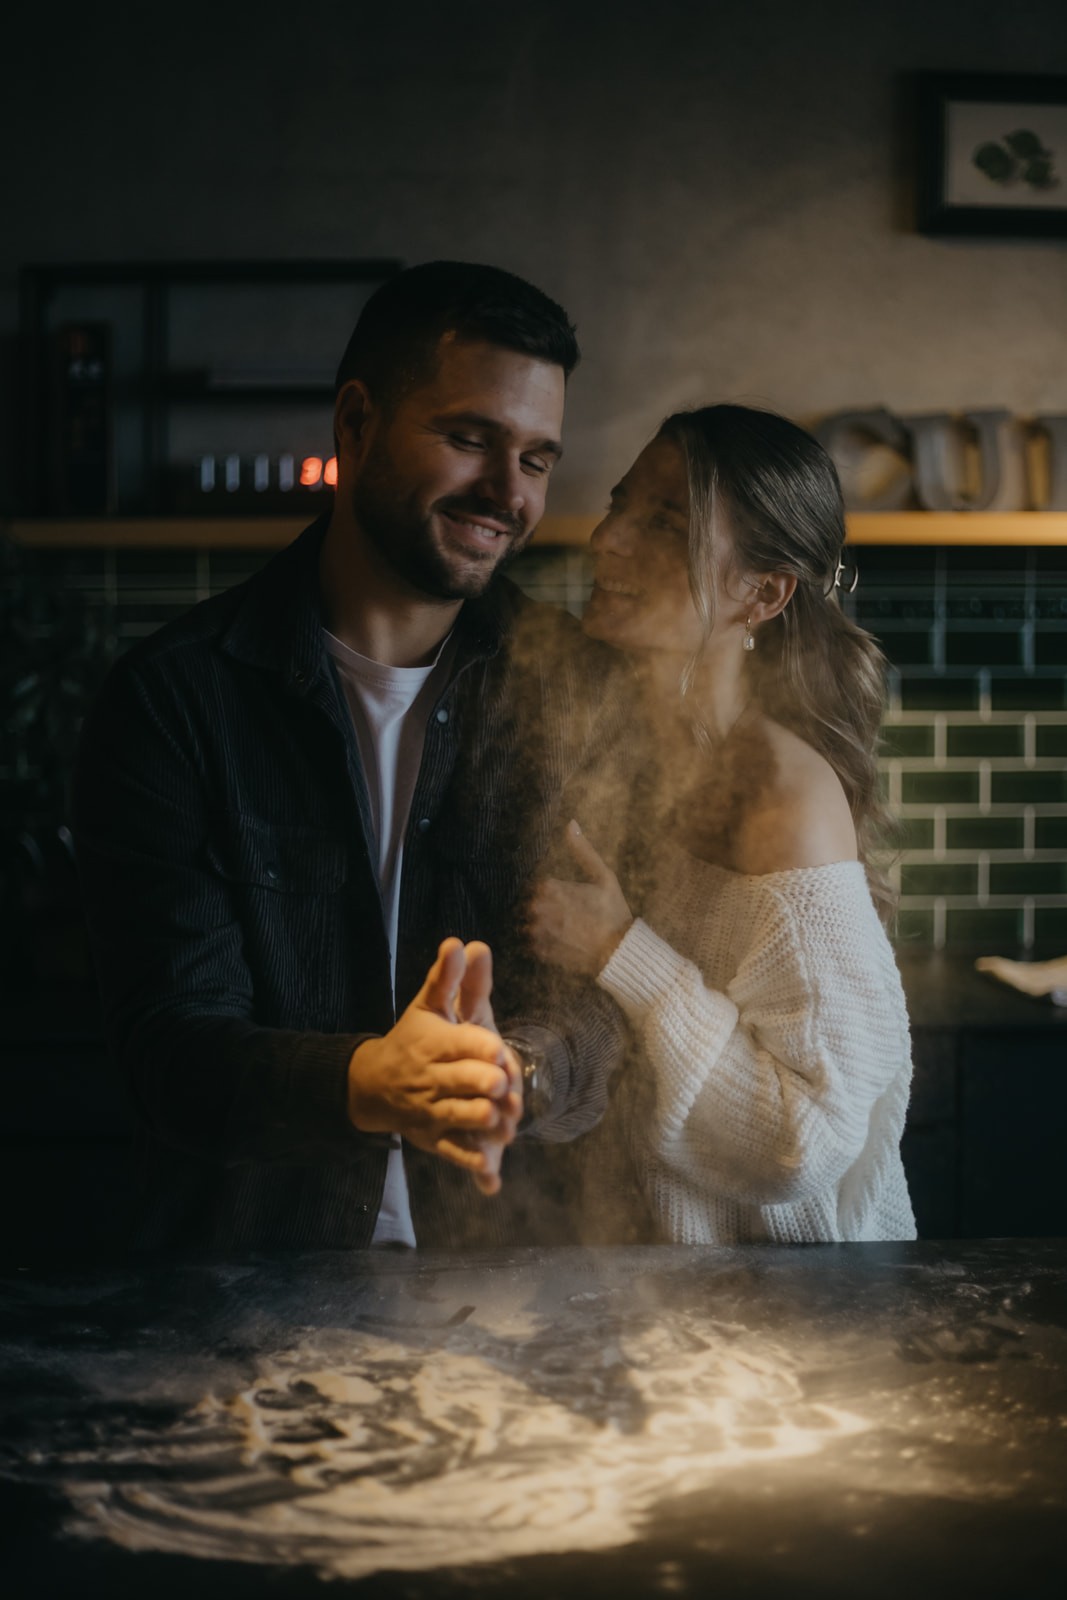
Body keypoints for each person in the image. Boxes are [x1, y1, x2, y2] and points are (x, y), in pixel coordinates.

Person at [72, 261, 631, 1254]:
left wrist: (516, 1068)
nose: (506, 493)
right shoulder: (173, 701)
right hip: (245, 1289)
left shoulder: (575, 693)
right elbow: (171, 1054)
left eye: (537, 460)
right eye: (468, 439)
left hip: (509, 1287)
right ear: (355, 424)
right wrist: (373, 1082)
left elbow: (596, 1008)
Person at [527, 404, 917, 1245]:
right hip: (682, 1298)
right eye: (621, 506)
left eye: (665, 523)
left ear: (763, 593)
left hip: (808, 1314)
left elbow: (799, 1142)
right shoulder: (639, 748)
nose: (609, 540)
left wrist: (616, 950)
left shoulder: (785, 798)